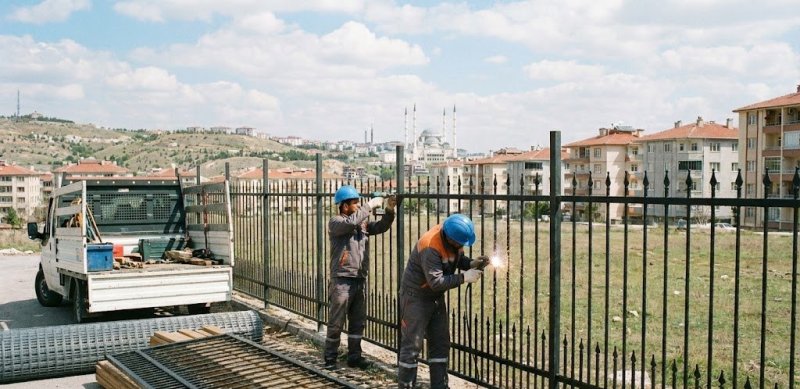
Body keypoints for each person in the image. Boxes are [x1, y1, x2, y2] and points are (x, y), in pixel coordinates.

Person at [397, 213, 488, 389]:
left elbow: (454, 258)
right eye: (460, 243)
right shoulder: (430, 246)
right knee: (412, 346)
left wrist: (470, 264)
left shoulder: (452, 236)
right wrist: (464, 277)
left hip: (434, 297)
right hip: (416, 297)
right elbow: (436, 282)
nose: (461, 246)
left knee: (440, 343)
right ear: (450, 238)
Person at [324, 185, 396, 369]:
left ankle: (354, 357)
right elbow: (350, 223)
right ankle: (330, 358)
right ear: (344, 206)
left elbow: (381, 226)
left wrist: (389, 210)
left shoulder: (361, 223)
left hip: (359, 278)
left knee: (357, 322)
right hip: (342, 279)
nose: (358, 205)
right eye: (355, 203)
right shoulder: (336, 222)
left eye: (359, 203)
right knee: (337, 322)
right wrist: (369, 206)